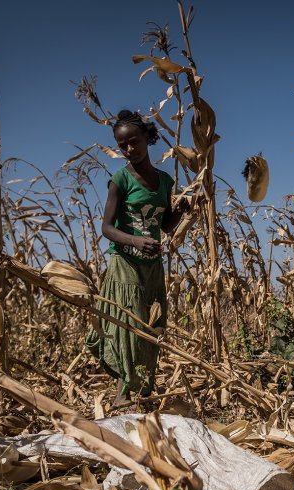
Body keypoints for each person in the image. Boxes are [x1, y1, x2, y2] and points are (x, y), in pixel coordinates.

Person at [87, 110, 187, 403]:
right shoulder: (120, 179)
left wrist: (180, 212)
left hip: (152, 265)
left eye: (134, 142)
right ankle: (122, 393)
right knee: (128, 326)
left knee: (151, 326)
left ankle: (143, 389)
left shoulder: (165, 181)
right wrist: (135, 241)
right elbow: (106, 228)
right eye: (123, 146)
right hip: (125, 262)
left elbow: (165, 226)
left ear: (147, 138)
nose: (129, 149)